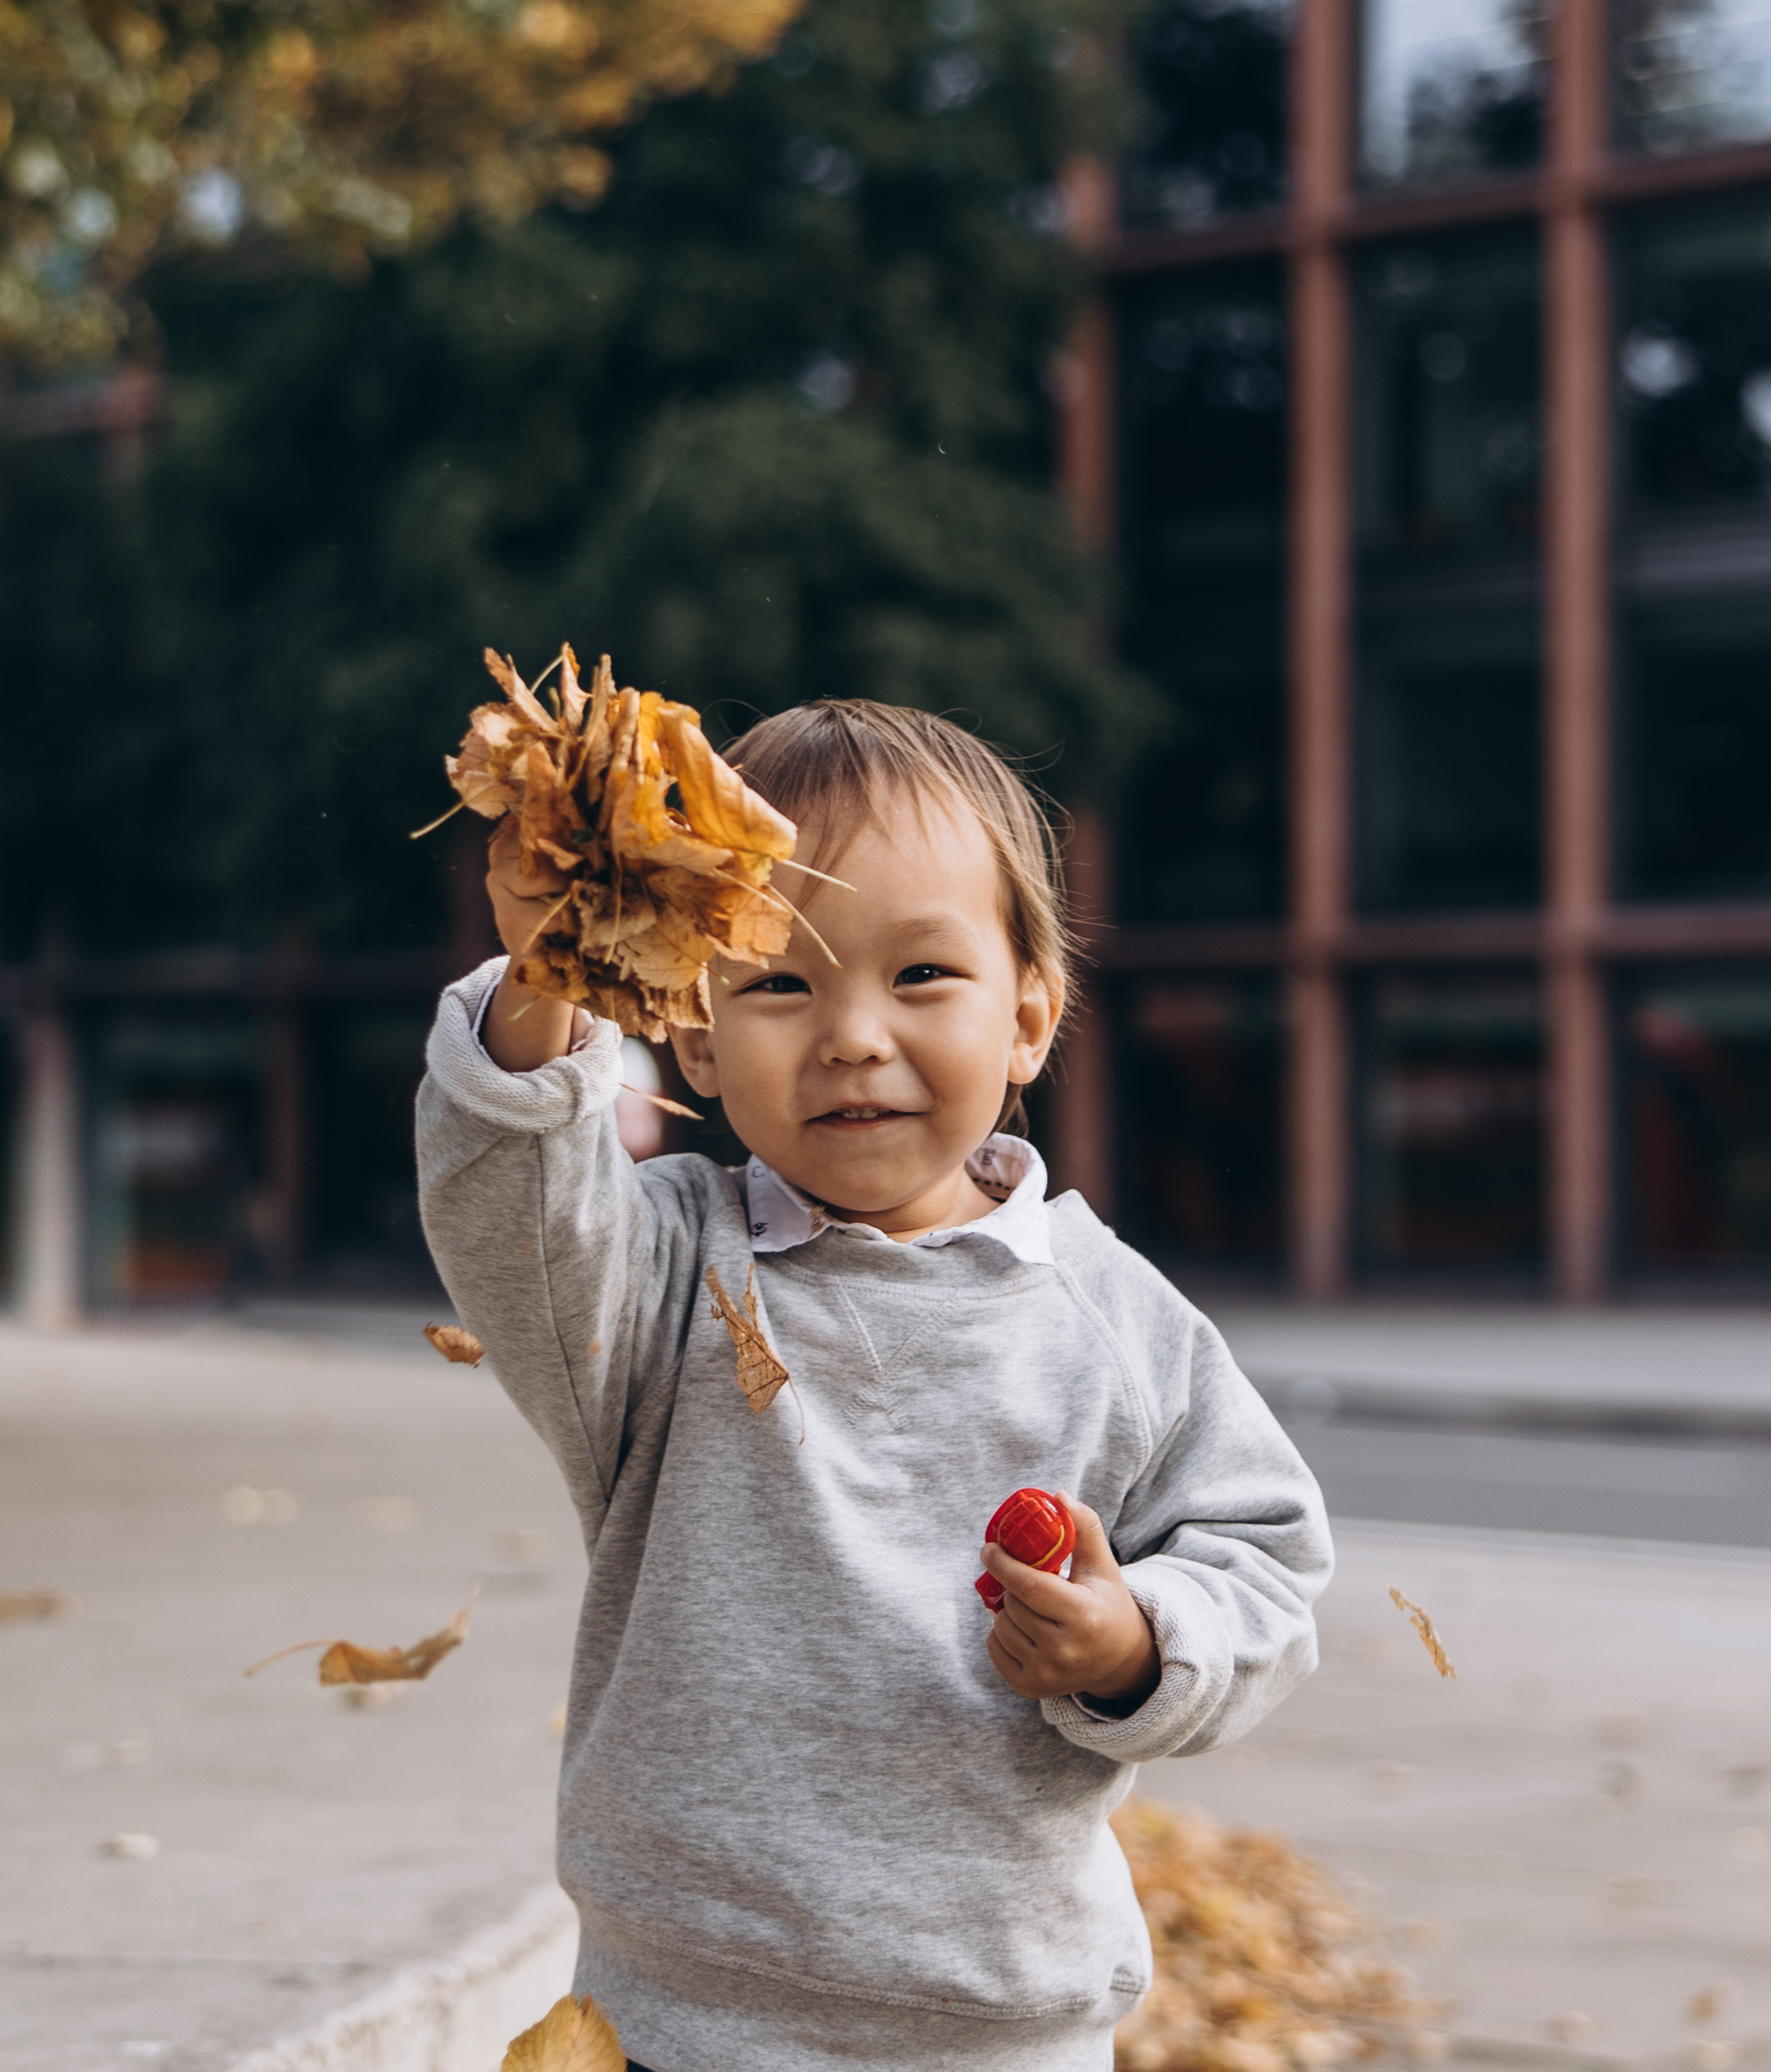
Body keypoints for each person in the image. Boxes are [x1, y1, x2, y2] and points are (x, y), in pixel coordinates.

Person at [417, 698, 1331, 2072]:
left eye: (920, 978)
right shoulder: (657, 1278)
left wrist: (1140, 1640)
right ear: (702, 1040)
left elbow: (1264, 1560)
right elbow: (508, 1209)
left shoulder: (1117, 1321)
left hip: (1001, 2026)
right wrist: (547, 969)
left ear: (1028, 1016)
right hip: (680, 2022)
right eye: (781, 981)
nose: (851, 1034)